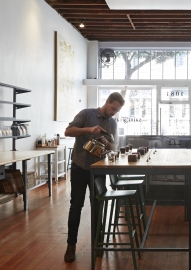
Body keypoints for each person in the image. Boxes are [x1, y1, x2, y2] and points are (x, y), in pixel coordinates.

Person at [63, 92, 125, 263]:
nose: (113, 113)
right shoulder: (86, 114)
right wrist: (89, 129)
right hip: (80, 167)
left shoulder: (112, 123)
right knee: (76, 206)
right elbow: (68, 131)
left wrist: (108, 143)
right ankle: (71, 246)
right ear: (107, 102)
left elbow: (114, 146)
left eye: (116, 111)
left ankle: (98, 243)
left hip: (98, 169)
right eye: (113, 108)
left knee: (98, 205)